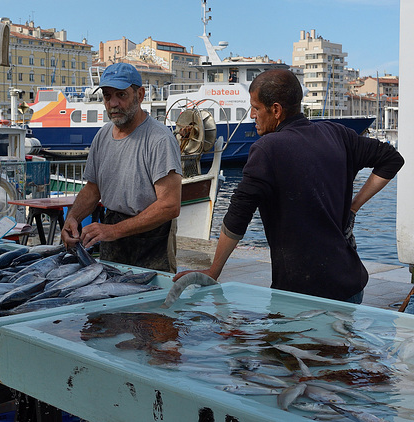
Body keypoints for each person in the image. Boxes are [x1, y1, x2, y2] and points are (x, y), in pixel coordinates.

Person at [175, 69, 404, 303]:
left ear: (275, 110)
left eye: (255, 107)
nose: (252, 115)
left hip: (301, 292)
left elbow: (237, 217)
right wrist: (353, 207)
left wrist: (214, 271)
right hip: (350, 284)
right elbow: (392, 159)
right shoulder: (337, 133)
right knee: (339, 340)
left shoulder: (267, 149)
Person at [60, 62, 182, 272]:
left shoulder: (159, 139)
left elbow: (170, 205)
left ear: (140, 94)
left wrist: (114, 230)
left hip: (152, 238)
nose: (113, 103)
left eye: (121, 95)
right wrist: (72, 218)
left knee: (151, 301)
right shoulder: (103, 136)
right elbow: (92, 189)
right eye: (107, 96)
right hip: (112, 234)